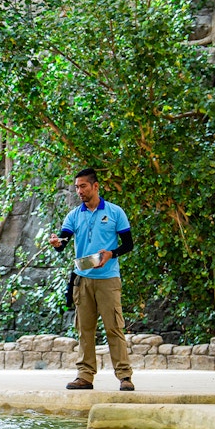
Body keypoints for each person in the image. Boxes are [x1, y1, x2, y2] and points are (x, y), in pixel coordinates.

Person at [49, 168, 135, 391]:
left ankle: (124, 376)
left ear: (95, 186)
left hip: (108, 279)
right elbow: (63, 243)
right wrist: (57, 243)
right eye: (77, 187)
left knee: (114, 328)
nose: (79, 191)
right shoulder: (74, 215)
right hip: (83, 280)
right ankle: (85, 376)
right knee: (84, 330)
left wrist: (111, 254)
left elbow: (128, 244)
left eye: (83, 186)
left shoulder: (115, 212)